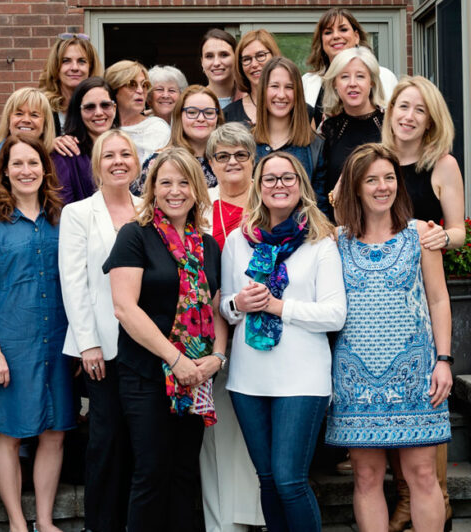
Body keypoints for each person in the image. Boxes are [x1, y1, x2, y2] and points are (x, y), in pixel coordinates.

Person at [328, 143, 453, 532]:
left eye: (389, 178)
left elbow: (438, 298)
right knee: (366, 479)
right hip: (355, 379)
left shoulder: (421, 235)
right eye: (371, 179)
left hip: (416, 373)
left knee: (422, 477)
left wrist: (444, 361)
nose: (382, 187)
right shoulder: (336, 241)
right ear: (355, 187)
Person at [220, 151, 346, 532]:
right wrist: (237, 303)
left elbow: (334, 314)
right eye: (270, 179)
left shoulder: (320, 242)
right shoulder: (238, 242)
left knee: (290, 480)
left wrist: (279, 307)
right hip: (248, 379)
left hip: (302, 379)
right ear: (258, 187)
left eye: (287, 178)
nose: (279, 185)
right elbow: (224, 309)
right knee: (268, 480)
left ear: (301, 185)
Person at [104, 147, 228, 532]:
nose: (175, 191)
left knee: (184, 472)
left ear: (197, 189)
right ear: (152, 189)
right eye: (166, 182)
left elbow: (216, 304)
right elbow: (125, 308)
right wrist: (176, 360)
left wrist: (217, 357)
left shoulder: (206, 245)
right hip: (147, 374)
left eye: (184, 182)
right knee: (152, 472)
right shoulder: (135, 236)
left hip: (196, 377)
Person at [0, 135, 72, 532]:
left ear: (45, 169)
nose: (26, 171)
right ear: (4, 172)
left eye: (33, 163)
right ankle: (16, 522)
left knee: (55, 432)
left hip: (57, 343)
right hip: (8, 344)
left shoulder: (63, 218)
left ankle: (44, 521)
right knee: (8, 434)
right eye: (17, 164)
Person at [379, 75, 466, 532]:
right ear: (390, 112)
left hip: (421, 296)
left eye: (419, 110)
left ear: (431, 120)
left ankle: (436, 498)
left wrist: (434, 234)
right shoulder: (376, 162)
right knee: (390, 402)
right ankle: (405, 499)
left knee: (428, 397)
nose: (409, 116)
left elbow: (459, 230)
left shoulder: (442, 164)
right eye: (402, 107)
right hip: (379, 301)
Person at [60, 129, 142, 532]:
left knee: (142, 442)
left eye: (125, 154)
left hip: (147, 345)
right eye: (108, 155)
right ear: (96, 165)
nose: (118, 161)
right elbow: (73, 282)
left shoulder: (149, 209)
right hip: (102, 349)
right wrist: (87, 343)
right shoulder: (77, 214)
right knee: (106, 441)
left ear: (137, 162)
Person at [198, 123, 265, 532]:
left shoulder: (271, 201)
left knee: (253, 434)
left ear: (253, 159)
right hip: (210, 334)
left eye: (241, 154)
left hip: (262, 335)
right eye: (222, 156)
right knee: (215, 433)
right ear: (210, 163)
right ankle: (221, 523)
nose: (232, 162)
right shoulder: (199, 206)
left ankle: (255, 517)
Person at [0, 87, 57, 231]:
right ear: (9, 119)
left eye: (34, 115)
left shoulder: (52, 160)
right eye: (19, 113)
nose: (26, 120)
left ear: (45, 124)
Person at [317, 46, 387, 220]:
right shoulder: (328, 129)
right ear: (335, 83)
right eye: (344, 76)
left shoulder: (389, 124)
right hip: (339, 229)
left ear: (371, 82)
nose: (352, 83)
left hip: (385, 228)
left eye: (360, 76)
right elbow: (321, 186)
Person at [302, 8, 399, 125]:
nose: (336, 36)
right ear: (322, 41)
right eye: (328, 32)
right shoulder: (307, 82)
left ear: (356, 36)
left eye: (343, 29)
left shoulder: (384, 76)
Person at [252, 57, 326, 198]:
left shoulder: (316, 146)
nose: (281, 95)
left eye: (289, 87)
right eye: (274, 86)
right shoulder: (246, 144)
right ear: (263, 91)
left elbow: (320, 207)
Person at [132, 85, 221, 195]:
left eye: (209, 112)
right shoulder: (157, 162)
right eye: (192, 112)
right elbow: (141, 206)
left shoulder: (227, 159)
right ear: (179, 116)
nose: (201, 118)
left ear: (217, 117)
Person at [51, 76, 119, 206]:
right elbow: (64, 209)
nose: (99, 112)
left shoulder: (124, 149)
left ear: (114, 108)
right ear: (78, 112)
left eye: (105, 105)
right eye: (90, 107)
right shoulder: (65, 154)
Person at [105, 60, 171, 164]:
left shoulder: (157, 128)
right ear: (114, 89)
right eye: (132, 84)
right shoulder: (101, 127)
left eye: (144, 85)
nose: (140, 90)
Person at [39, 34, 103, 138]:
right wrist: (49, 145)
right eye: (66, 61)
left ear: (90, 67)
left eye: (81, 61)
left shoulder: (102, 106)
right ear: (56, 66)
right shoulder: (40, 106)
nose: (74, 67)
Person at [222, 30, 281, 128]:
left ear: (274, 56)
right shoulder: (228, 115)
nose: (254, 64)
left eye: (261, 55)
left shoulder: (299, 110)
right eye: (247, 59)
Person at [200, 29, 243, 108]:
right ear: (202, 62)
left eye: (224, 55)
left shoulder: (251, 100)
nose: (216, 63)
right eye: (209, 56)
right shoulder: (192, 102)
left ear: (236, 59)